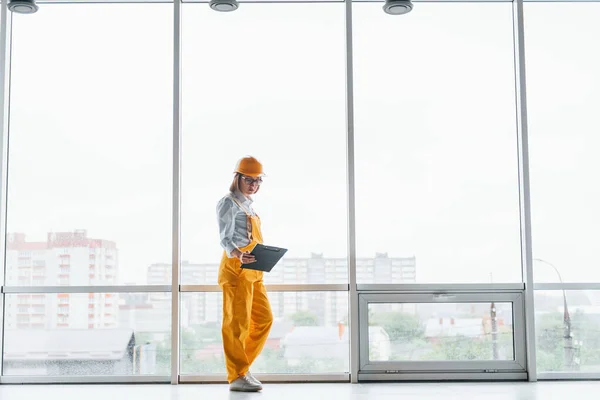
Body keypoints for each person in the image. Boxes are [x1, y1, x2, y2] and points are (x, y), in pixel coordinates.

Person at [216, 156, 273, 392]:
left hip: (254, 270)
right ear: (237, 177)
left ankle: (242, 368)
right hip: (237, 269)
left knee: (263, 320)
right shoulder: (228, 203)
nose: (254, 185)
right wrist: (239, 254)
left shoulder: (249, 205)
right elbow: (225, 239)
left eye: (258, 181)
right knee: (236, 324)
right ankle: (236, 376)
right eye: (249, 180)